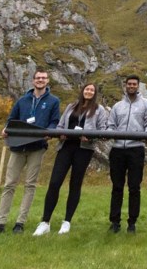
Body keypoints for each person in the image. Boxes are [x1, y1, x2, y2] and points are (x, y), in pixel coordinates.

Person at [32, 82, 108, 236]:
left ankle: (67, 222)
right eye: (87, 89)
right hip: (66, 147)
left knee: (75, 184)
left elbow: (103, 131)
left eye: (92, 90)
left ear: (95, 93)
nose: (89, 91)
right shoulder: (71, 106)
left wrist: (91, 137)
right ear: (82, 90)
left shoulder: (99, 110)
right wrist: (60, 133)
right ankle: (45, 222)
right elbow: (60, 125)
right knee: (54, 183)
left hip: (84, 150)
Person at [0, 70, 61, 234]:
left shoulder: (53, 101)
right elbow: (11, 120)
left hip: (37, 147)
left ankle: (20, 223)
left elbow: (54, 122)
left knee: (30, 185)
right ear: (33, 81)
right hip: (18, 147)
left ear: (47, 81)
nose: (40, 80)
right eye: (38, 78)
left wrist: (49, 133)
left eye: (43, 78)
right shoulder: (22, 100)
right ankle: (0, 223)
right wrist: (6, 129)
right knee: (9, 184)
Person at [106, 74, 147, 233]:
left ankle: (132, 223)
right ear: (125, 86)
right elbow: (110, 125)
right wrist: (111, 133)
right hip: (118, 150)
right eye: (129, 84)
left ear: (138, 86)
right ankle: (115, 222)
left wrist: (146, 134)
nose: (132, 86)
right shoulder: (117, 106)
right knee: (117, 187)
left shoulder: (146, 104)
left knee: (134, 187)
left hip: (136, 150)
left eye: (134, 84)